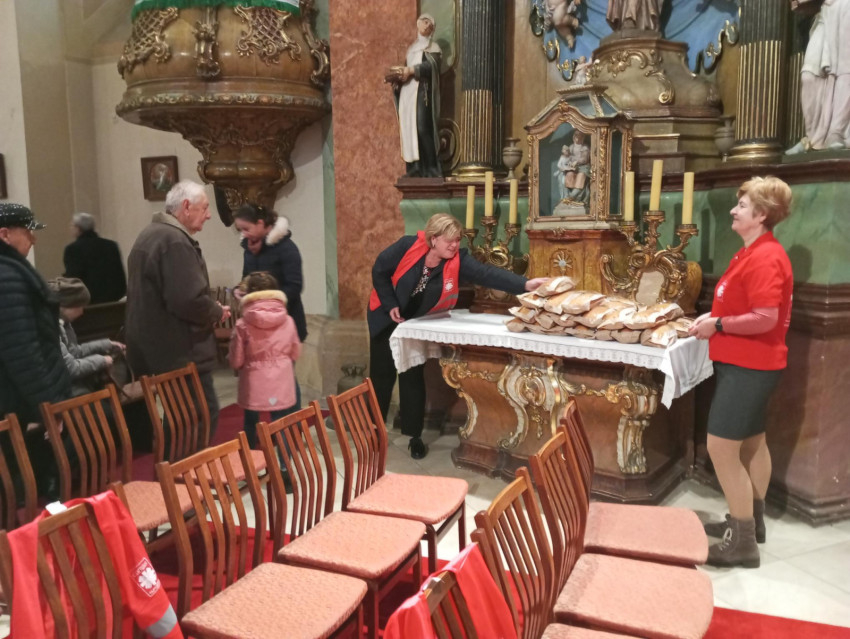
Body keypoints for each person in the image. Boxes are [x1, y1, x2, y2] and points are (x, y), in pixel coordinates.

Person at [369, 213, 548, 459]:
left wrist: (525, 285)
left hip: (413, 323)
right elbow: (379, 270)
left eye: (457, 240)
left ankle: (414, 437)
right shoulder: (406, 246)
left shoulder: (458, 259)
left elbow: (487, 274)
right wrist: (390, 304)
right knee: (381, 376)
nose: (455, 245)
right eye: (449, 240)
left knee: (412, 375)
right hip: (385, 314)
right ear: (433, 239)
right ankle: (373, 432)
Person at [688, 176, 793, 569]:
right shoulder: (752, 252)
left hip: (750, 366)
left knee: (721, 449)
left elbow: (765, 318)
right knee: (752, 444)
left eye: (743, 205)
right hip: (751, 364)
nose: (734, 210)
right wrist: (714, 319)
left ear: (762, 214)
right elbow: (742, 306)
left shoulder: (765, 257)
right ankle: (749, 520)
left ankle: (742, 542)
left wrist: (717, 325)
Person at [125, 180, 230, 439]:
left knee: (180, 420)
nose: (209, 215)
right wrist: (216, 312)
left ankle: (175, 465)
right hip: (179, 352)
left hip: (158, 348)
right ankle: (184, 467)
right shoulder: (174, 242)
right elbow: (187, 300)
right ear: (186, 207)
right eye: (205, 208)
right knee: (197, 419)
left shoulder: (150, 234)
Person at [0, 203, 72, 498]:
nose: (34, 238)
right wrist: (48, 405)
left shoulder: (11, 271)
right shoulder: (7, 277)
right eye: (28, 231)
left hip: (16, 396)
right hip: (13, 398)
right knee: (16, 484)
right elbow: (23, 352)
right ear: (5, 234)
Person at [233, 203, 307, 413]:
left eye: (246, 228)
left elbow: (295, 286)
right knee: (254, 377)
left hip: (283, 324)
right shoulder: (249, 249)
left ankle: (289, 425)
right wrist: (241, 289)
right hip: (256, 325)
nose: (243, 234)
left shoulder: (286, 248)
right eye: (240, 230)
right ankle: (255, 427)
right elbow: (247, 279)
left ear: (260, 223)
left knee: (284, 379)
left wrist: (266, 301)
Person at [228, 271, 301, 449]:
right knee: (281, 424)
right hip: (281, 381)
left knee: (250, 422)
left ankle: (250, 459)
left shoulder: (243, 324)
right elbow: (295, 352)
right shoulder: (288, 321)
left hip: (253, 381)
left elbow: (237, 360)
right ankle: (284, 463)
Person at [787, 0, 850, 153]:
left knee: (845, 71)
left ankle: (837, 132)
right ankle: (813, 136)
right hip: (825, 12)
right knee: (809, 75)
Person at [47, 277, 125, 397]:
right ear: (69, 304)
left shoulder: (64, 324)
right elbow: (71, 368)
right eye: (80, 306)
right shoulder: (52, 327)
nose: (82, 312)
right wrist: (102, 360)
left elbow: (74, 351)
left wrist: (106, 344)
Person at [390, 14, 442, 178]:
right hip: (407, 93)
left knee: (422, 127)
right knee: (409, 130)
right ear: (418, 23)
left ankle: (431, 167)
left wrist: (412, 70)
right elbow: (404, 70)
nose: (427, 25)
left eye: (430, 24)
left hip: (422, 92)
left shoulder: (433, 48)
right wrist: (397, 80)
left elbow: (431, 66)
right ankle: (415, 168)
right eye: (425, 21)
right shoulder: (411, 49)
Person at [63, 212, 127, 304]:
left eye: (72, 225)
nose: (70, 228)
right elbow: (119, 275)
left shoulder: (73, 249)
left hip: (88, 302)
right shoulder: (111, 245)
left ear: (78, 228)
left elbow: (73, 278)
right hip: (114, 300)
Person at [554, 131, 591, 204]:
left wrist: (576, 160)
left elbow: (584, 159)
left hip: (583, 167)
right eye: (576, 137)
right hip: (573, 167)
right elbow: (567, 156)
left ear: (583, 138)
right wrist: (568, 162)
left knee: (580, 177)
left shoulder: (585, 147)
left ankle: (572, 197)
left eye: (580, 137)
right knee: (569, 175)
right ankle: (568, 197)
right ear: (574, 138)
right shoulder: (571, 147)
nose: (578, 138)